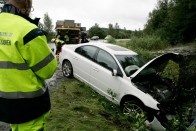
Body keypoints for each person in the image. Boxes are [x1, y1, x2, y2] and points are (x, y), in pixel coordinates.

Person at [0, 0, 57, 130]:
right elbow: (48, 71)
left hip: (4, 103)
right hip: (29, 108)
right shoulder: (29, 31)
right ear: (26, 3)